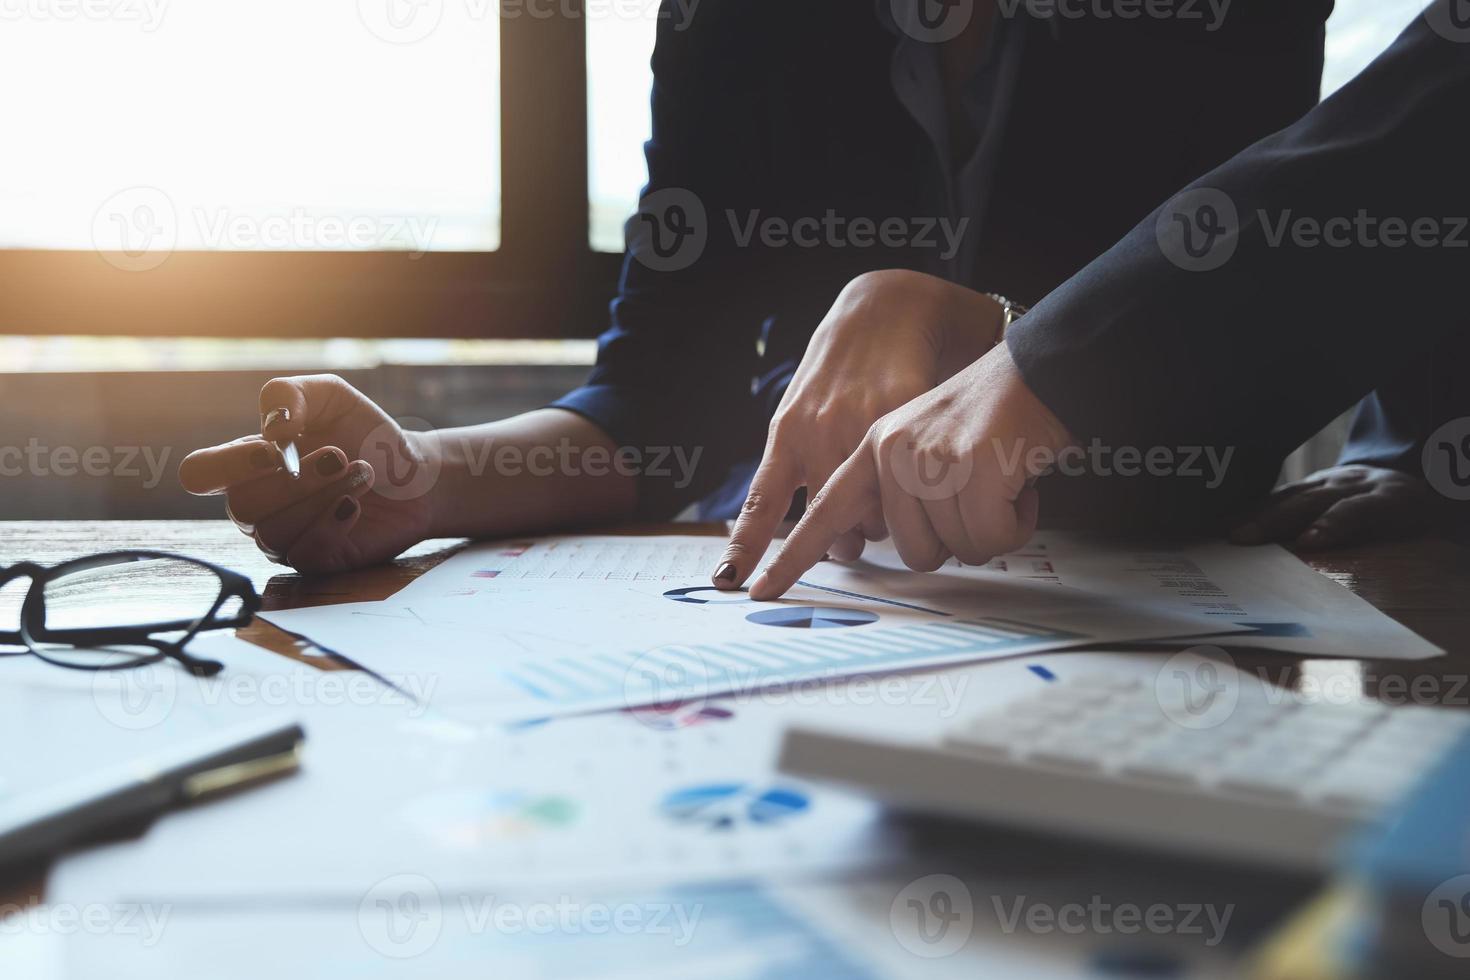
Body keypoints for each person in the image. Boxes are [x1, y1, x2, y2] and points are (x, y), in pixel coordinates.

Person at [179, 0, 1334, 573]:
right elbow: (652, 406)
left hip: (1122, 602)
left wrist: (999, 341)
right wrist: (426, 482)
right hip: (807, 615)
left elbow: (1233, 371)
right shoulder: (736, 23)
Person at [738, 4, 1470, 601]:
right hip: (876, 564)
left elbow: (1430, 118)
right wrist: (1419, 445)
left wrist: (1043, 359)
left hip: (1119, 558)